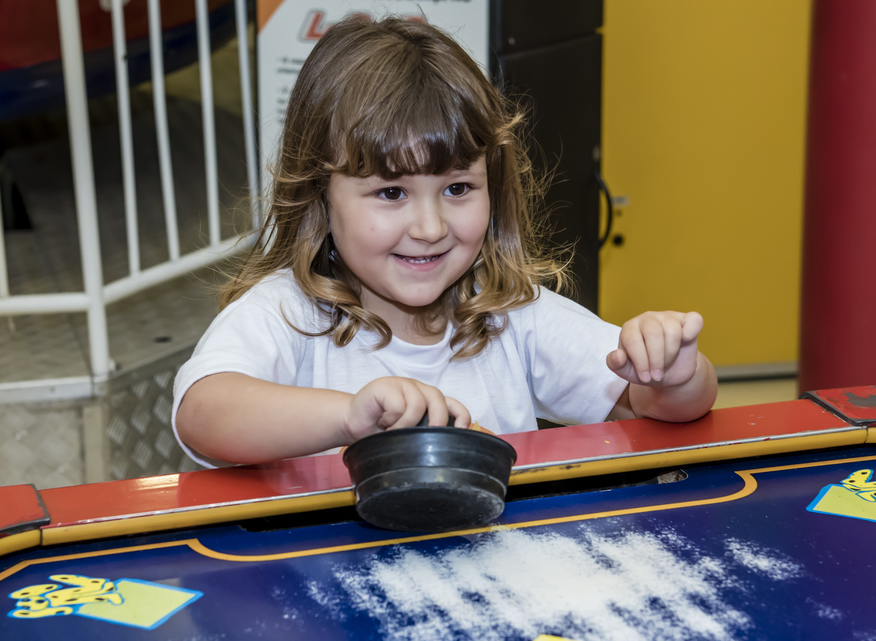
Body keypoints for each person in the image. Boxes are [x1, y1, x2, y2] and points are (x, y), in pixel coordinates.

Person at [173, 15, 717, 467]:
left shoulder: (509, 313)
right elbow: (202, 415)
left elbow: (657, 407)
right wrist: (348, 416)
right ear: (320, 193)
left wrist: (674, 373)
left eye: (457, 187)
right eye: (390, 193)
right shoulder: (286, 312)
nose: (430, 228)